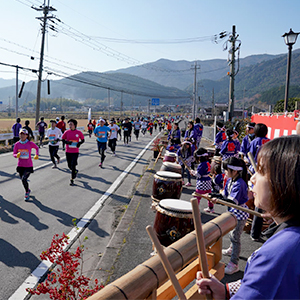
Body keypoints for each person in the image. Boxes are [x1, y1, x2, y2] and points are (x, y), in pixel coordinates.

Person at [196, 135, 300, 299]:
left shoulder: (278, 252)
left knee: (235, 238)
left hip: (238, 216)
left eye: (260, 170)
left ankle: (234, 262)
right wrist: (226, 292)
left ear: (284, 182)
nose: (252, 178)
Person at [211, 157, 249, 274]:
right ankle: (232, 249)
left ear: (235, 171)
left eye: (227, 170)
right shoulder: (230, 180)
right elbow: (225, 196)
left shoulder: (240, 183)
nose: (225, 172)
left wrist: (218, 200)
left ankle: (234, 264)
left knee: (235, 238)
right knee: (232, 234)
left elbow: (232, 201)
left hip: (240, 213)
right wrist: (215, 195)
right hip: (233, 211)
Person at [248, 123, 270, 241]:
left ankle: (254, 233)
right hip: (268, 172)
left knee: (258, 203)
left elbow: (250, 156)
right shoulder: (270, 142)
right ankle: (260, 231)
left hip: (257, 173)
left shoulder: (254, 142)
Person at [13, 128, 39, 201]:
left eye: (23, 134)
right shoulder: (17, 144)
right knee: (22, 180)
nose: (22, 136)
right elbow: (14, 153)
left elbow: (36, 148)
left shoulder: (30, 143)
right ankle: (28, 189)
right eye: (21, 134)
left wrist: (37, 155)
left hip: (28, 166)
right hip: (20, 165)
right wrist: (16, 155)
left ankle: (26, 192)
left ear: (27, 135)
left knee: (24, 179)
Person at [61, 119, 85, 186]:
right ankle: (75, 171)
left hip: (75, 151)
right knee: (69, 165)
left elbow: (83, 140)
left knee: (73, 165)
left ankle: (72, 179)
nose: (70, 126)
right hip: (68, 151)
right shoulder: (66, 132)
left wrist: (79, 143)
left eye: (71, 124)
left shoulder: (78, 132)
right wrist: (67, 142)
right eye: (69, 124)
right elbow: (62, 139)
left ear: (75, 125)